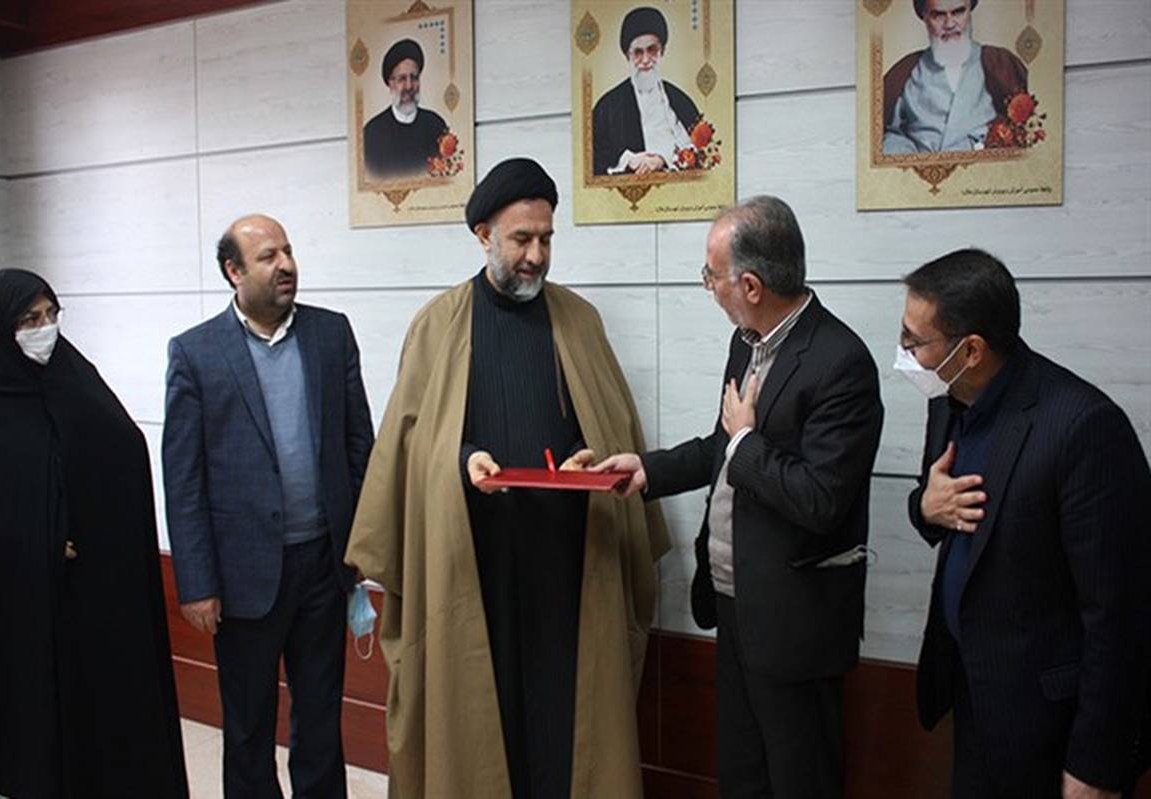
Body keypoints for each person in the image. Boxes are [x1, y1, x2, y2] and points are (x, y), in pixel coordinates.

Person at [346, 157, 669, 798]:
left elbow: (608, 425)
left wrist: (583, 455)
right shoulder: (437, 325)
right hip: (474, 563)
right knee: (481, 717)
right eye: (522, 239)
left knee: (564, 723)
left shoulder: (580, 320)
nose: (536, 256)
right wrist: (464, 457)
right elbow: (412, 449)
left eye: (546, 238)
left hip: (567, 563)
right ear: (483, 235)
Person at [596, 196, 884, 798]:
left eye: (712, 276)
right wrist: (646, 470)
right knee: (743, 775)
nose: (710, 288)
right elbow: (720, 447)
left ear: (750, 285)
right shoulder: (746, 342)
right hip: (734, 599)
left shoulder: (841, 362)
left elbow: (821, 499)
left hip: (795, 618)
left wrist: (748, 441)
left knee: (800, 780)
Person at [897, 249, 1151, 797]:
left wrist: (1096, 765)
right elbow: (938, 507)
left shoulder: (1084, 428)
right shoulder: (948, 401)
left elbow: (1120, 616)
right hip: (972, 695)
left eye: (914, 341)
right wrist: (924, 508)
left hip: (1049, 722)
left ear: (971, 350)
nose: (905, 352)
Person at [0, 269, 188, 798]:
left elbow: (123, 453)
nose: (45, 329)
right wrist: (36, 535)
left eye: (51, 315)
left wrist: (99, 526)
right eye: (29, 320)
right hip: (13, 614)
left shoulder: (76, 382)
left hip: (91, 605)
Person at [163, 214, 374, 798]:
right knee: (248, 724)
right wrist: (196, 583)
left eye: (288, 251)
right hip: (242, 575)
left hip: (323, 565)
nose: (286, 265)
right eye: (268, 257)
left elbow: (360, 444)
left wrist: (361, 542)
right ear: (234, 271)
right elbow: (183, 478)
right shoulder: (196, 352)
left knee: (320, 715)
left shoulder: (331, 334)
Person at [883, 0, 1028, 154]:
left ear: (969, 11)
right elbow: (889, 133)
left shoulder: (1000, 63)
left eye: (958, 12)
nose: (950, 24)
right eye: (938, 15)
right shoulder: (906, 72)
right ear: (924, 17)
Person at [591, 6, 702, 175]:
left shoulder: (680, 100)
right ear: (627, 55)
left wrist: (662, 159)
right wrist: (628, 160)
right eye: (638, 52)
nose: (645, 60)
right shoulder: (607, 107)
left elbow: (699, 148)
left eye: (652, 50)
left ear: (662, 51)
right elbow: (595, 155)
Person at [362, 38, 450, 179]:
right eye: (402, 79)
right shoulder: (372, 133)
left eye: (414, 78)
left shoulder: (436, 125)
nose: (409, 86)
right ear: (390, 83)